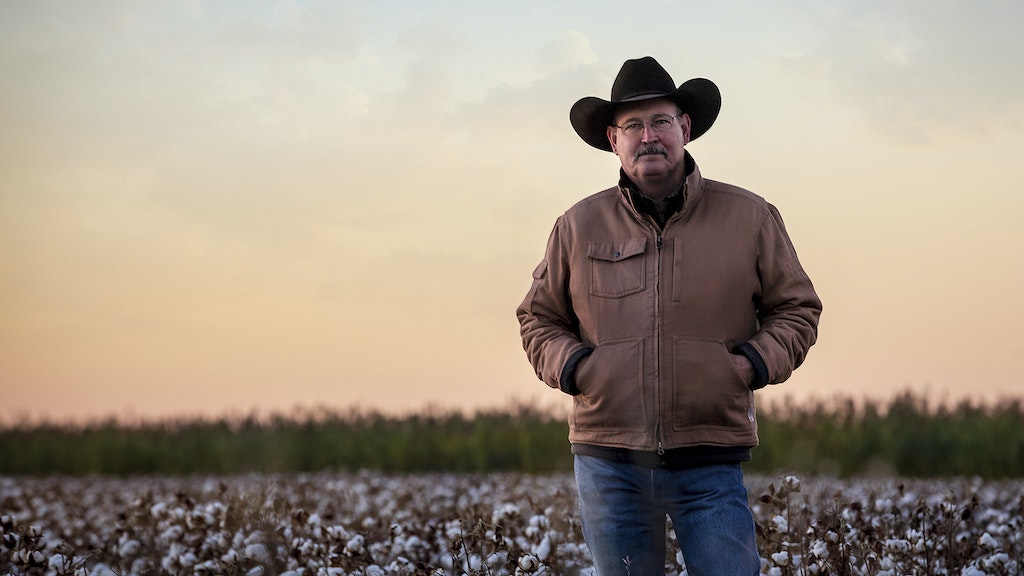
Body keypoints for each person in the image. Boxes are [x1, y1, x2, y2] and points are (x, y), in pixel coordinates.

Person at [516, 56, 822, 576]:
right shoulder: (577, 224)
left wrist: (748, 365)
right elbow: (538, 319)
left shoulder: (750, 216)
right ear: (613, 140)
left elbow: (797, 309)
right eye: (632, 126)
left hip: (710, 459)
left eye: (660, 121)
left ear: (685, 128)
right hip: (608, 461)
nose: (647, 136)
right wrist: (576, 369)